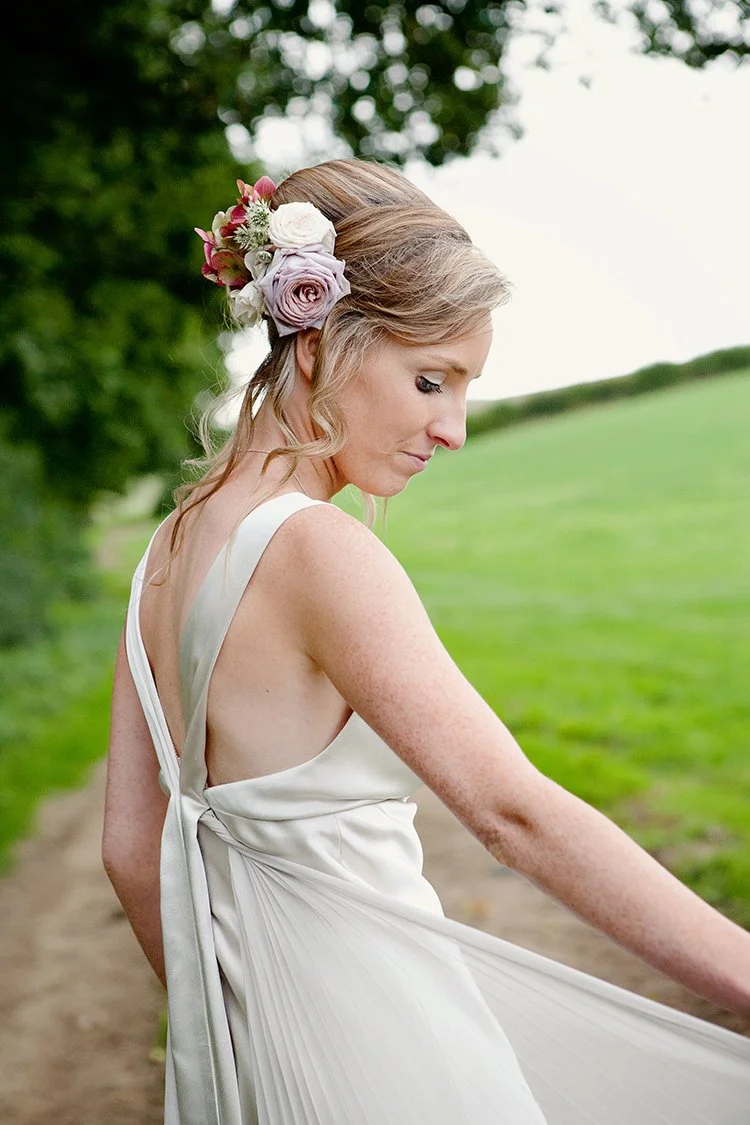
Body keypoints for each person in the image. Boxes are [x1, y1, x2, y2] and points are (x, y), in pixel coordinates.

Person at [103, 158, 750, 1125]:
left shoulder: (166, 548)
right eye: (431, 380)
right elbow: (511, 812)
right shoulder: (318, 550)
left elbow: (129, 848)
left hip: (254, 1054)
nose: (453, 429)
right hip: (387, 1046)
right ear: (321, 340)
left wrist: (233, 1032)